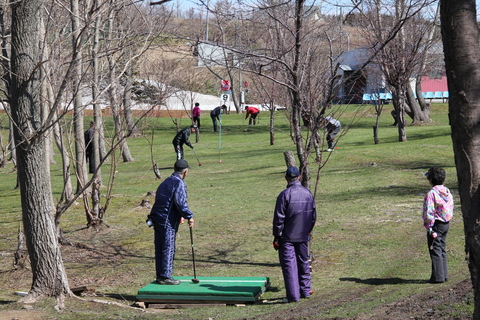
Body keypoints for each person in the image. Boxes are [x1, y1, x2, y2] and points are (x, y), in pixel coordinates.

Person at [273, 166, 317, 303]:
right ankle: (305, 290)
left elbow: (279, 218)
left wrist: (276, 236)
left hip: (287, 237)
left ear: (286, 178)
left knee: (289, 265)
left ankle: (293, 296)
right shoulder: (308, 193)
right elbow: (313, 216)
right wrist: (308, 230)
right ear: (299, 177)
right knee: (303, 262)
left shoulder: (284, 194)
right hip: (303, 235)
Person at [147, 159, 195, 285]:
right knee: (168, 247)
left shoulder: (166, 182)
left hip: (156, 218)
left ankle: (160, 274)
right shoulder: (179, 183)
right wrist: (189, 216)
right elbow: (180, 202)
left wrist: (180, 216)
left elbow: (166, 201)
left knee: (160, 247)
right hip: (166, 220)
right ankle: (165, 276)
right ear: (185, 172)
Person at [422, 167, 454, 284]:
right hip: (445, 223)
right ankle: (444, 275)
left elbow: (428, 212)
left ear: (431, 179)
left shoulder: (431, 194)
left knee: (435, 249)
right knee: (441, 248)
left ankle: (437, 277)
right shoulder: (447, 191)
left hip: (435, 224)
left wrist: (429, 227)